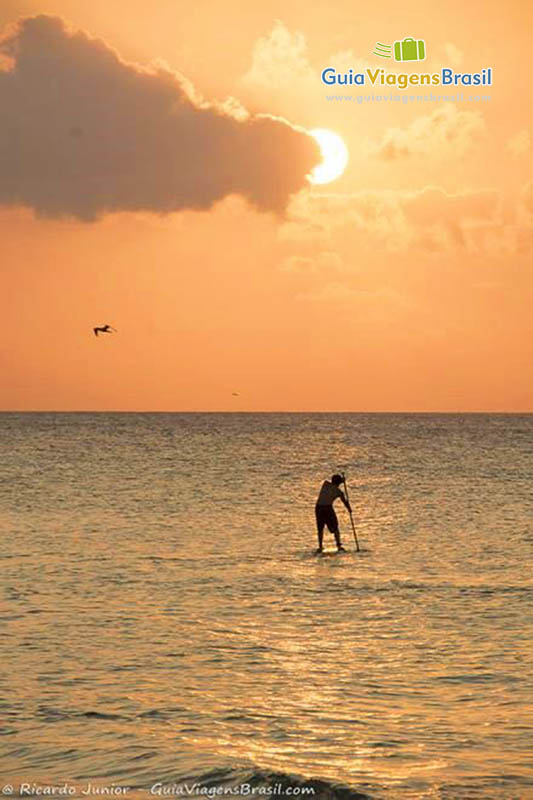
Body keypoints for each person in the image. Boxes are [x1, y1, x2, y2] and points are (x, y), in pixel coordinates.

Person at [315, 474, 351, 553]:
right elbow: (344, 501)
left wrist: (342, 480)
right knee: (335, 527)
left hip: (319, 507)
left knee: (320, 528)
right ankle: (338, 545)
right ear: (339, 483)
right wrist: (349, 509)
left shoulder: (325, 484)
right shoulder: (338, 492)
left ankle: (320, 546)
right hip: (326, 508)